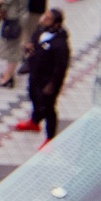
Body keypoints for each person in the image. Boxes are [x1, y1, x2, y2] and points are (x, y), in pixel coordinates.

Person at [16, 9, 70, 140]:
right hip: (35, 74)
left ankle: (50, 136)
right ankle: (34, 122)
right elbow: (35, 43)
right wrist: (30, 48)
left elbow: (60, 68)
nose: (44, 18)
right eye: (45, 15)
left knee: (48, 108)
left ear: (56, 24)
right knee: (34, 98)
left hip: (47, 81)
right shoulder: (41, 30)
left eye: (48, 18)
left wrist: (51, 85)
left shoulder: (60, 45)